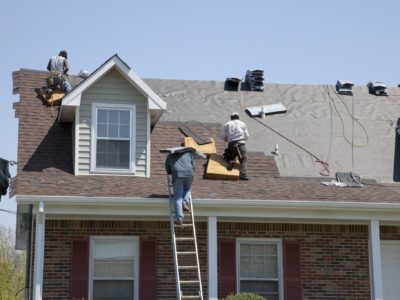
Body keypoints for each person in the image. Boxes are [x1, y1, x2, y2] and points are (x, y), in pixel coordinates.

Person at [165, 149, 195, 225]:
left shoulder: (170, 155)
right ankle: (184, 202)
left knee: (178, 197)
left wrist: (170, 171)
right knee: (187, 188)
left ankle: (179, 218)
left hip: (177, 174)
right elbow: (193, 165)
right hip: (189, 174)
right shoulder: (188, 153)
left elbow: (167, 169)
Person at [221, 112, 250, 180]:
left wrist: (226, 139)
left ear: (231, 118)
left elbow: (223, 136)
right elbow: (247, 136)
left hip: (232, 144)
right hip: (241, 143)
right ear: (238, 117)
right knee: (243, 159)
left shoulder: (227, 124)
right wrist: (243, 140)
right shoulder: (242, 123)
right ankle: (243, 175)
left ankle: (231, 161)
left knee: (228, 155)